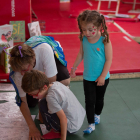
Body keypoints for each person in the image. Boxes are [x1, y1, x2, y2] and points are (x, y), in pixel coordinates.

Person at [8, 35, 70, 140]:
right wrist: (32, 127)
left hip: (51, 55)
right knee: (31, 102)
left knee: (63, 82)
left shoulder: (44, 50)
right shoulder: (17, 72)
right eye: (20, 71)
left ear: (33, 59)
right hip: (35, 71)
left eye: (25, 69)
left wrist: (42, 108)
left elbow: (51, 83)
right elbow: (22, 102)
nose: (22, 74)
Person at [70, 10, 112, 134]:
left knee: (99, 99)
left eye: (90, 29)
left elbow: (109, 59)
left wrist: (102, 76)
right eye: (83, 29)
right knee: (89, 101)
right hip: (88, 77)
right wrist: (74, 68)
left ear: (99, 27)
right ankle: (90, 124)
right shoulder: (84, 39)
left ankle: (97, 114)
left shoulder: (105, 40)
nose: (86, 33)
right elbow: (81, 54)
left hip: (102, 78)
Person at [21, 70, 86, 140]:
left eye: (35, 94)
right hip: (79, 118)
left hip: (71, 128)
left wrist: (63, 138)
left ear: (45, 88)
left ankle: (56, 131)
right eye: (30, 94)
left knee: (42, 104)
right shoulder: (55, 84)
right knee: (43, 102)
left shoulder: (50, 97)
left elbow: (63, 118)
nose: (33, 97)